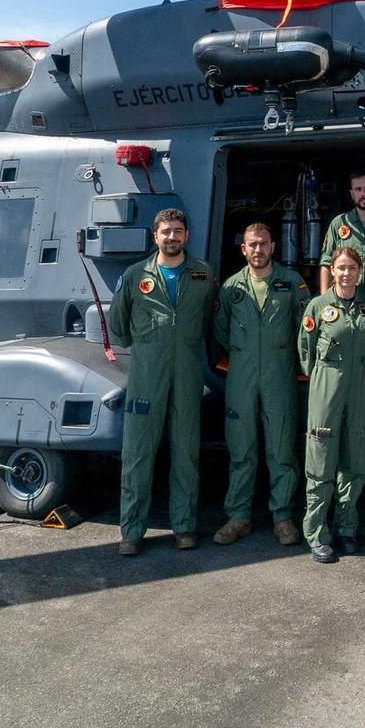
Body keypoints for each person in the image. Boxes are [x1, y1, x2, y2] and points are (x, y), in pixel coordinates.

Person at [107, 207, 216, 556]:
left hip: (187, 373)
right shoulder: (136, 274)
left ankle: (184, 527)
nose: (172, 236)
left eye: (178, 231)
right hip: (146, 375)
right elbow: (119, 325)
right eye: (166, 231)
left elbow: (211, 318)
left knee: (186, 452)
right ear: (155, 237)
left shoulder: (202, 273)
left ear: (186, 236)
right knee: (137, 454)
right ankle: (132, 532)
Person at [211, 221, 312, 547]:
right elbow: (220, 330)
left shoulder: (291, 283)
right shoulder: (230, 289)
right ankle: (238, 516)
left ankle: (282, 517)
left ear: (273, 247)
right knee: (241, 449)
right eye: (252, 244)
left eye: (263, 244)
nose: (258, 249)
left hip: (278, 375)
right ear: (244, 249)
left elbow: (304, 330)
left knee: (281, 449)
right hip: (241, 375)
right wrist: (244, 353)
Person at [299, 244, 365, 563]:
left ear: (360, 272)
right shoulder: (318, 306)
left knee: (355, 458)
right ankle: (316, 532)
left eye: (352, 268)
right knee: (321, 458)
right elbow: (305, 350)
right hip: (327, 382)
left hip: (359, 381)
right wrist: (322, 376)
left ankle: (347, 528)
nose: (346, 273)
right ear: (332, 270)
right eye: (341, 268)